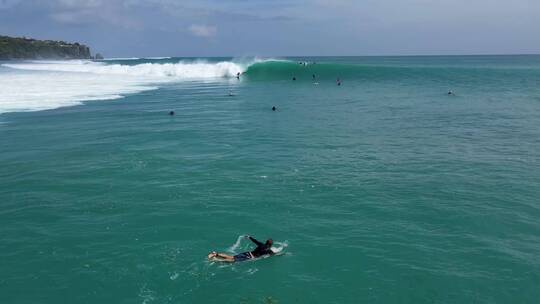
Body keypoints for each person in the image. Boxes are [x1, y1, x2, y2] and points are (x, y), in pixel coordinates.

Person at [208, 236, 274, 262]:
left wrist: (249, 237)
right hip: (250, 257)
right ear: (270, 245)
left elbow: (255, 240)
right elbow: (274, 254)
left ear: (266, 242)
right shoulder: (269, 250)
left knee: (232, 256)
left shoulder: (261, 244)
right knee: (233, 260)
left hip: (248, 253)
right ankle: (216, 259)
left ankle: (216, 254)